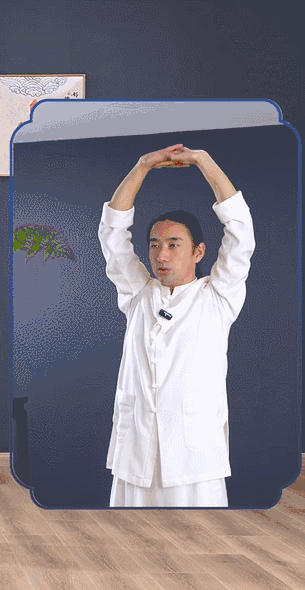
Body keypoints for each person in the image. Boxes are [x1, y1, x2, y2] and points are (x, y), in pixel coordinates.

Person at [98, 144, 255, 507]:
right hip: (135, 453)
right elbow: (112, 235)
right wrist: (141, 166)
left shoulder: (218, 297)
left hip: (193, 458)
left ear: (198, 252)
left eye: (173, 244)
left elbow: (240, 233)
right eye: (154, 245)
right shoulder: (138, 294)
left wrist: (203, 161)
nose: (162, 255)